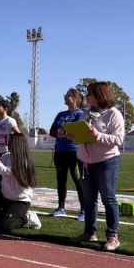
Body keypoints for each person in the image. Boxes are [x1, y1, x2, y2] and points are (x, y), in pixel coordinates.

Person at [68, 81, 125, 252]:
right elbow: (82, 137)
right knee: (89, 199)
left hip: (106, 162)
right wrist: (73, 136)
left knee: (108, 198)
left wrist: (98, 135)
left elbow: (118, 140)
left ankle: (113, 236)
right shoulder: (85, 114)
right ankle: (89, 232)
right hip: (85, 162)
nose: (87, 96)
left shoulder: (114, 114)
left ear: (100, 95)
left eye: (90, 93)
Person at [0, 134, 41, 233]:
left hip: (20, 201)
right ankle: (2, 216)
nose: (8, 144)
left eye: (10, 142)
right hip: (5, 197)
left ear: (17, 144)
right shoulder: (6, 156)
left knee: (3, 227)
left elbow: (5, 171)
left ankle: (28, 218)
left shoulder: (24, 160)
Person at [48, 89, 85, 220]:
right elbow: (52, 132)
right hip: (59, 152)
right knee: (61, 181)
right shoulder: (60, 114)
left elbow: (77, 132)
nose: (65, 97)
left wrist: (64, 132)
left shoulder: (81, 114)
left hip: (74, 152)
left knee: (78, 180)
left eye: (68, 95)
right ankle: (61, 208)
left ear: (76, 98)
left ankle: (84, 210)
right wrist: (64, 133)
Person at [0, 98, 20, 191]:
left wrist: (13, 146)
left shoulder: (10, 121)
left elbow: (19, 135)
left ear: (5, 108)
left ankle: (8, 197)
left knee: (6, 177)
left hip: (6, 153)